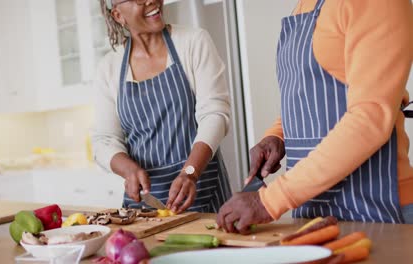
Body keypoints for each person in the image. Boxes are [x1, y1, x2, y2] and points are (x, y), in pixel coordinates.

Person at [218, 0, 413, 233]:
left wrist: (268, 200)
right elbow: (307, 94)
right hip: (311, 208)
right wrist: (277, 134)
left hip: (377, 208)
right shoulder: (305, 6)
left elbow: (369, 118)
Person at [91, 0, 232, 214]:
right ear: (118, 15)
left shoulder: (193, 41)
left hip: (203, 191)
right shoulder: (108, 68)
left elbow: (215, 114)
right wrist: (128, 170)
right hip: (145, 206)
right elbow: (105, 140)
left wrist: (190, 172)